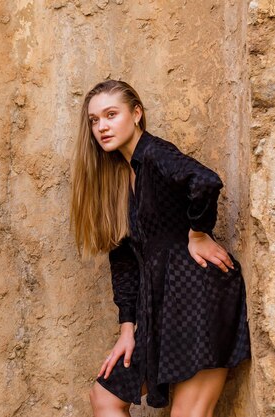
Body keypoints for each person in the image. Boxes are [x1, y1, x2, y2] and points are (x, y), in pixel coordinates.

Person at [69, 80, 251, 417]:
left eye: (111, 114)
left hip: (199, 294)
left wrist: (197, 234)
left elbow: (204, 181)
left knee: (187, 414)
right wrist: (128, 330)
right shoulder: (116, 180)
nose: (102, 126)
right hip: (162, 308)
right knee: (104, 397)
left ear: (136, 114)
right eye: (94, 120)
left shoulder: (154, 153)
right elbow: (123, 261)